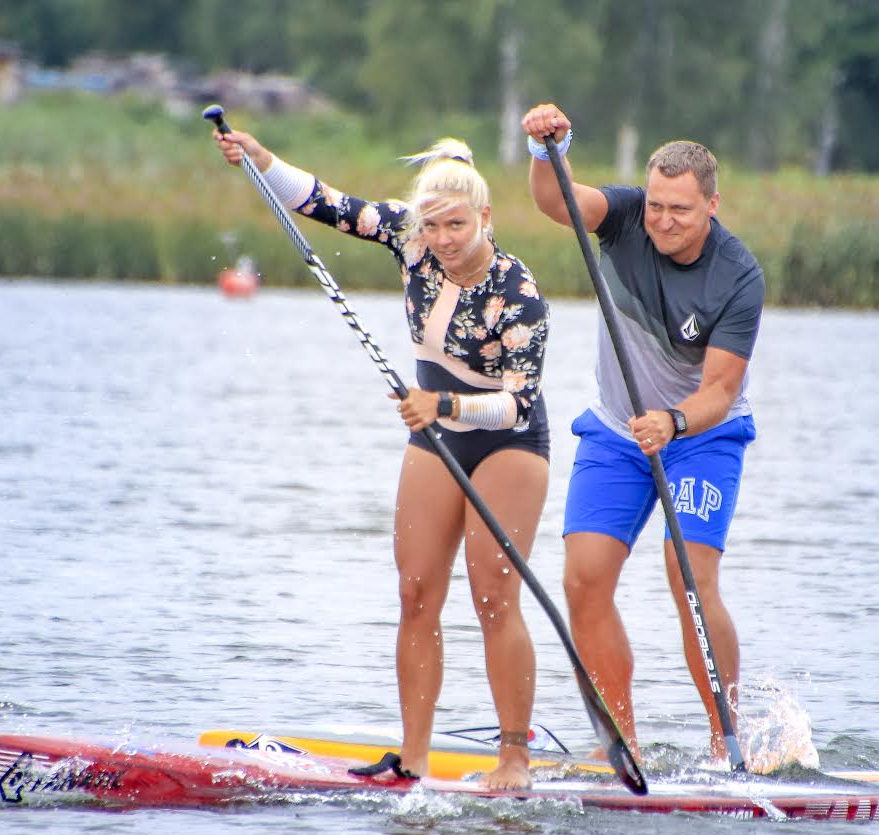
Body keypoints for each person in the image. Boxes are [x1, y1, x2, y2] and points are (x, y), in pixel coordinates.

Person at [214, 127, 550, 790]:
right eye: (434, 226)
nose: (444, 239)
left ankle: (513, 759)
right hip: (433, 427)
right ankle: (413, 757)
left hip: (507, 439)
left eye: (457, 225)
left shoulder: (519, 294)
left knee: (492, 594)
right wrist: (261, 160)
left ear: (485, 217)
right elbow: (323, 202)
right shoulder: (407, 234)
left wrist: (444, 407)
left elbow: (517, 402)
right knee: (415, 591)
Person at [521, 103, 764, 762]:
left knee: (689, 580)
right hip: (616, 431)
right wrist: (549, 152)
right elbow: (556, 202)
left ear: (712, 205)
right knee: (583, 578)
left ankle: (725, 739)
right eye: (655, 204)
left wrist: (674, 420)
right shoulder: (625, 216)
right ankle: (618, 742)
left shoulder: (737, 277)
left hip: (703, 437)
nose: (660, 219)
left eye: (678, 210)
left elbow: (717, 390)